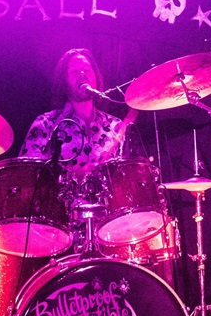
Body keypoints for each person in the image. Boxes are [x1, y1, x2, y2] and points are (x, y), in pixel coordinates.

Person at [20, 48, 139, 218]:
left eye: (87, 69)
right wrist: (69, 176)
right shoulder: (46, 124)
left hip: (111, 225)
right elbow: (26, 179)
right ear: (64, 81)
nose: (82, 74)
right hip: (59, 225)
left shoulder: (115, 126)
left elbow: (128, 182)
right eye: (75, 71)